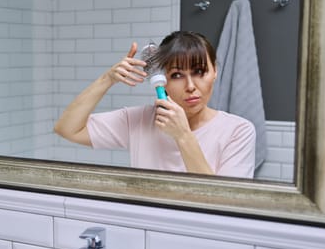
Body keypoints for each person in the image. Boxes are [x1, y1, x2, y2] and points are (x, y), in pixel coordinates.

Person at [54, 31, 255, 178]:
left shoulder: (239, 131)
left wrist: (183, 136)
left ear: (215, 72)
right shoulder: (138, 121)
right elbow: (67, 129)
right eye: (177, 75)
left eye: (199, 72)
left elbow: (222, 203)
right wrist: (107, 79)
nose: (191, 86)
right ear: (163, 79)